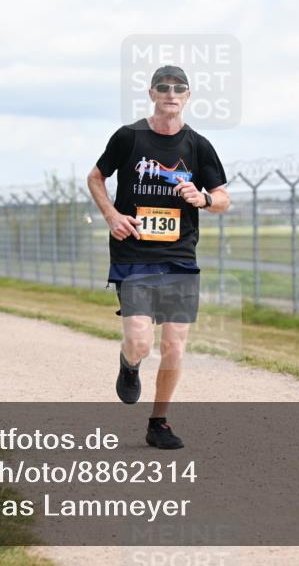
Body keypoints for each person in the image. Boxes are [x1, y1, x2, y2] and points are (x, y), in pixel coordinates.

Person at [88, 65, 230, 450]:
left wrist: (203, 198)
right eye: (163, 87)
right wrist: (112, 216)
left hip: (180, 256)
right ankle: (129, 364)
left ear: (188, 96)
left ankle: (158, 422)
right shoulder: (129, 138)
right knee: (139, 341)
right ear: (152, 93)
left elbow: (222, 198)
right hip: (134, 253)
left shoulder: (198, 145)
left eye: (178, 88)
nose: (171, 93)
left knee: (175, 346)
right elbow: (96, 177)